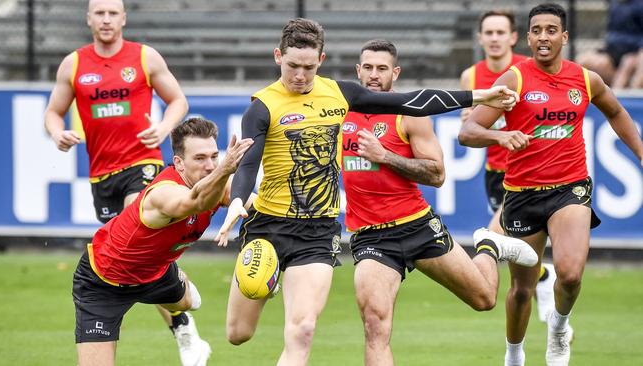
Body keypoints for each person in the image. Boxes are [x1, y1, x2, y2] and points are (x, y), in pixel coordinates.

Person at [213, 18, 522, 366]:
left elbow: (413, 101)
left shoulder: (339, 94)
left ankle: (488, 246)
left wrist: (481, 95)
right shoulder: (262, 106)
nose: (300, 75)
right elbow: (249, 161)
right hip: (268, 227)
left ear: (322, 61)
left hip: (320, 231)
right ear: (277, 57)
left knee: (303, 331)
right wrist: (238, 199)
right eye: (292, 66)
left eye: (309, 67)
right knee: (238, 334)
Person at [458, 4, 643, 366]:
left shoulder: (586, 79)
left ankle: (559, 328)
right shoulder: (513, 79)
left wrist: (640, 152)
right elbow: (468, 132)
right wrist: (502, 136)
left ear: (564, 36)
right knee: (522, 291)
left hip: (569, 188)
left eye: (551, 29)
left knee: (571, 275)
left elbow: (617, 112)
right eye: (537, 30)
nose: (544, 36)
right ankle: (514, 354)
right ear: (528, 37)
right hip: (522, 194)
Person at [342, 39, 538, 366]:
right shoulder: (340, 112)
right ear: (357, 71)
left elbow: (436, 174)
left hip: (418, 226)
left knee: (485, 298)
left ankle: (489, 245)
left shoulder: (410, 115)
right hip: (371, 236)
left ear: (396, 72)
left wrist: (384, 156)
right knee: (375, 325)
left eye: (382, 69)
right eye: (368, 68)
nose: (374, 75)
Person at [42, 1, 202, 364]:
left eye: (113, 13)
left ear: (124, 18)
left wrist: (163, 128)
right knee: (131, 254)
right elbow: (53, 111)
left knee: (139, 215)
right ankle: (179, 316)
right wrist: (57, 133)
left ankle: (180, 321)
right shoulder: (74, 64)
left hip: (142, 164)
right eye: (99, 13)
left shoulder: (145, 58)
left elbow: (178, 100)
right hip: (101, 174)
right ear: (89, 19)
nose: (106, 19)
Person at [72, 117, 254, 366]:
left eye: (214, 156)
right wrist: (226, 169)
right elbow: (195, 202)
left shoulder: (222, 186)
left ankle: (181, 304)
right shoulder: (162, 194)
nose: (210, 166)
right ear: (178, 163)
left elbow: (262, 205)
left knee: (189, 303)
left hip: (157, 273)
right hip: (103, 282)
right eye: (200, 158)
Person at [460, 10, 557, 324]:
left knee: (493, 235)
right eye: (488, 33)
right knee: (515, 246)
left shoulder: (526, 71)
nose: (494, 38)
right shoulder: (470, 76)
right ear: (480, 38)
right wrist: (475, 123)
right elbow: (470, 127)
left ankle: (493, 280)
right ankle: (543, 276)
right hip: (494, 172)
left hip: (526, 172)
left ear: (514, 37)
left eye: (501, 32)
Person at [577, 0, 643, 89]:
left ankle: (625, 96)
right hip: (612, 53)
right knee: (583, 61)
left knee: (627, 64)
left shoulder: (639, 5)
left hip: (634, 53)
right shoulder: (614, 4)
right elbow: (611, 36)